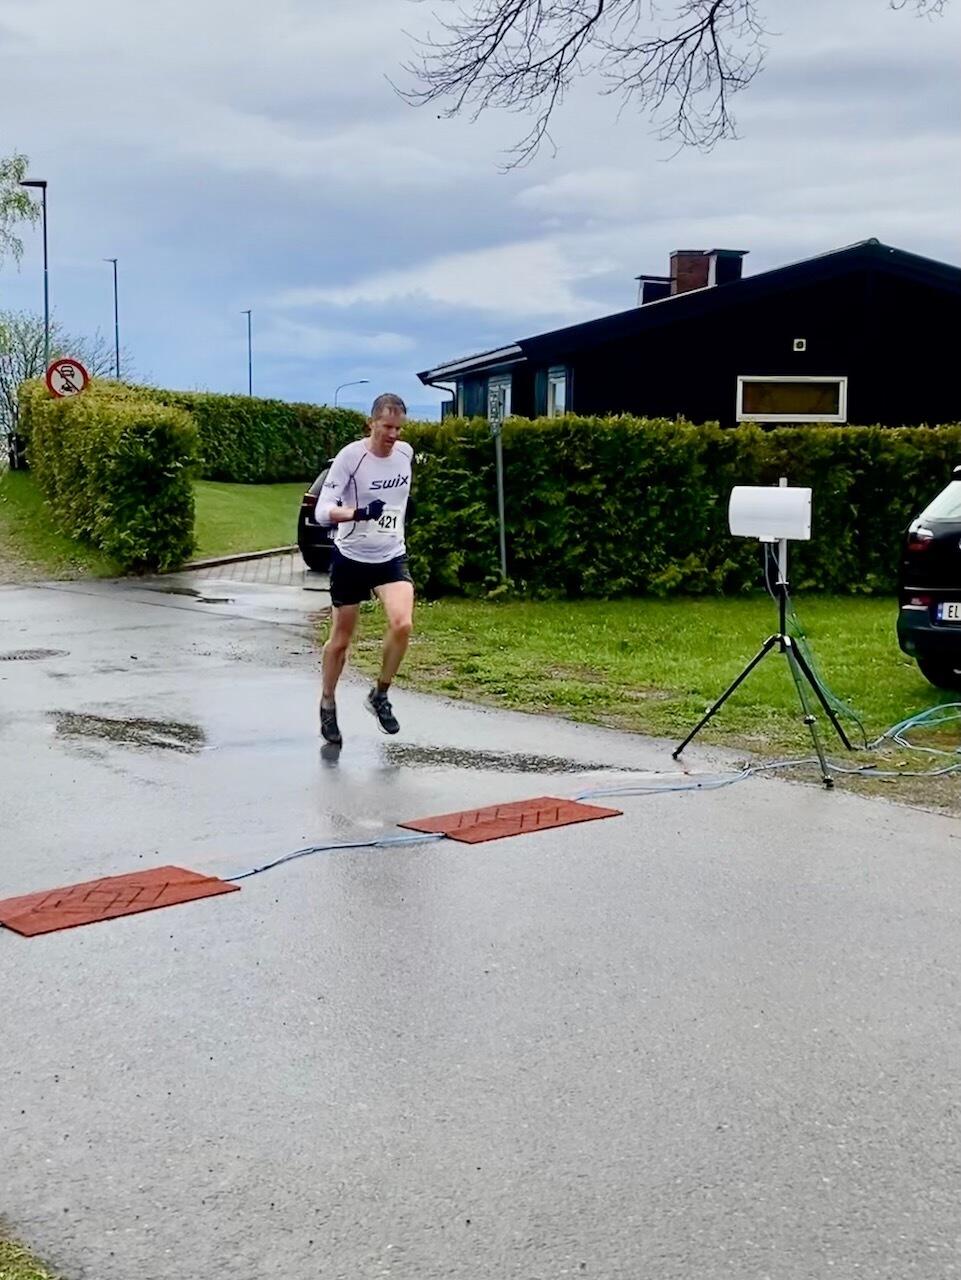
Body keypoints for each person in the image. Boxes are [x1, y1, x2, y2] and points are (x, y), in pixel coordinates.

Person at [317, 393, 415, 746]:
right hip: (351, 557)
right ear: (371, 423)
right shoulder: (351, 457)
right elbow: (322, 511)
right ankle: (328, 702)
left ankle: (380, 694)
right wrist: (357, 514)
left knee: (403, 624)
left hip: (390, 556)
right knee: (341, 641)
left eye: (398, 428)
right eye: (387, 427)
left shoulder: (405, 454)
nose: (393, 435)